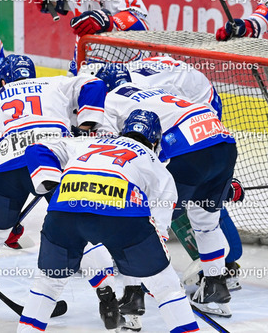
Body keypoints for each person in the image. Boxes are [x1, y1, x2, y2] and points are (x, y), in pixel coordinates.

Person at [0, 54, 113, 331]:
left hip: (6, 166)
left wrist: (4, 211)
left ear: (2, 80)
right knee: (77, 228)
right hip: (54, 157)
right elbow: (95, 84)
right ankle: (108, 298)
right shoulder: (54, 83)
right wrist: (85, 129)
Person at [17, 110, 199, 333]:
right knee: (167, 287)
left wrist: (51, 180)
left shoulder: (88, 143)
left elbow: (39, 147)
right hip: (120, 212)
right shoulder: (157, 167)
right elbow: (158, 230)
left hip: (65, 208)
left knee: (48, 284)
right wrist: (158, 275)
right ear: (156, 141)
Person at [97, 64, 238, 317]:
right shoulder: (150, 89)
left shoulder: (108, 100)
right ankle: (215, 288)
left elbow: (109, 148)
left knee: (143, 222)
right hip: (222, 140)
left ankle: (134, 294)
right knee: (206, 221)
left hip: (186, 148)